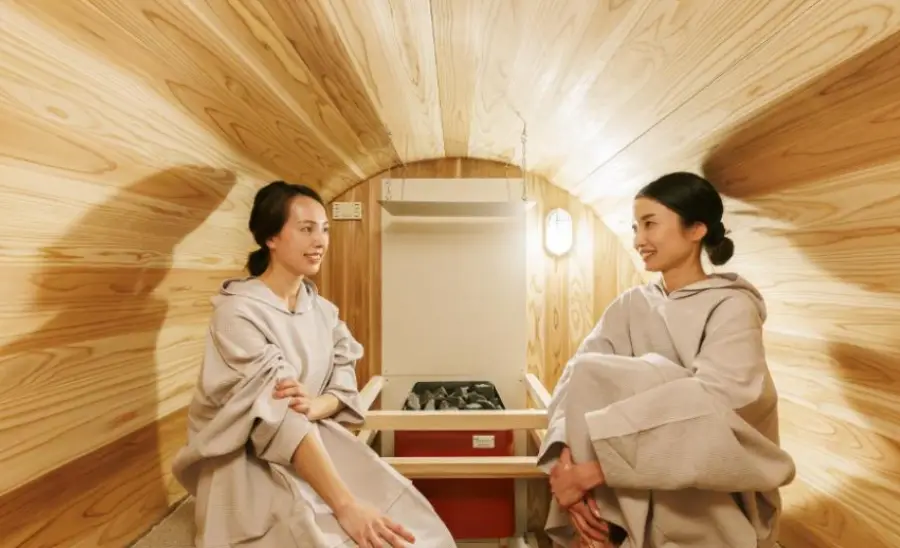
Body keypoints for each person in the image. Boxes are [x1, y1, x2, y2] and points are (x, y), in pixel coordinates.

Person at [172, 181, 454, 548]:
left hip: (313, 445)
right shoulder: (237, 314)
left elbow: (342, 375)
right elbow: (279, 417)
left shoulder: (321, 311)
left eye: (324, 229)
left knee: (420, 532)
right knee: (329, 534)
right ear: (271, 237)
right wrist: (346, 506)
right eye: (306, 229)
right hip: (247, 465)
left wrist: (318, 404)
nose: (320, 241)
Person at [537, 172, 797, 547]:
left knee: (650, 380)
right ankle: (603, 526)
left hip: (703, 500)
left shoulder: (731, 307)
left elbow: (720, 405)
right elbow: (572, 385)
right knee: (588, 370)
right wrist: (567, 468)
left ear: (696, 229)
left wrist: (600, 469)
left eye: (650, 224)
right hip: (611, 490)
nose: (638, 240)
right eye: (635, 227)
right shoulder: (630, 305)